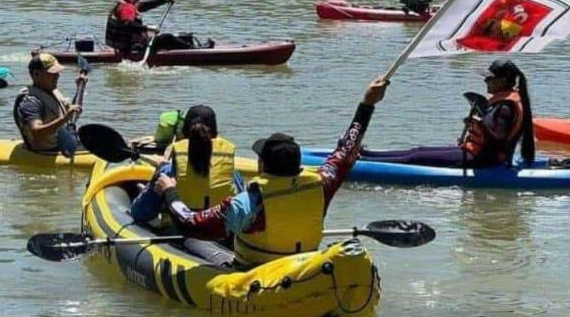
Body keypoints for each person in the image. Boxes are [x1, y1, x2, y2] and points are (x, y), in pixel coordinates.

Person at [152, 77, 390, 267]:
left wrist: (170, 191)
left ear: (263, 166)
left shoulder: (247, 202)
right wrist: (367, 104)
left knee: (194, 241)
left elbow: (191, 223)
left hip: (256, 274)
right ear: (298, 165)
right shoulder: (323, 183)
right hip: (303, 266)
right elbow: (347, 148)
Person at [360, 59, 534, 168]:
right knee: (418, 150)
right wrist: (476, 123)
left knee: (417, 157)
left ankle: (361, 164)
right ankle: (367, 155)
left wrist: (478, 123)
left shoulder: (506, 106)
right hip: (476, 152)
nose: (485, 81)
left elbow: (498, 137)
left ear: (502, 81)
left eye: (489, 78)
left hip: (483, 159)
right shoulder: (504, 100)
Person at [130, 105, 240, 222]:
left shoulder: (167, 172)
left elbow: (139, 213)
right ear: (216, 135)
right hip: (221, 230)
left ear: (184, 133)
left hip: (182, 231)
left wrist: (160, 179)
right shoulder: (231, 173)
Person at [13, 53, 87, 153]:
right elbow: (36, 132)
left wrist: (80, 88)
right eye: (52, 73)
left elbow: (72, 115)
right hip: (46, 151)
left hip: (61, 145)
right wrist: (64, 119)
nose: (57, 76)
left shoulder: (52, 91)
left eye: (57, 72)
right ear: (36, 74)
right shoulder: (30, 102)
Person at [104, 0, 193, 60]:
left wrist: (165, 0)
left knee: (182, 37)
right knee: (167, 38)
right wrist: (149, 28)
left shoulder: (123, 5)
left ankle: (192, 48)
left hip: (122, 46)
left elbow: (145, 5)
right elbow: (128, 25)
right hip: (133, 48)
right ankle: (195, 51)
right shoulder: (127, 7)